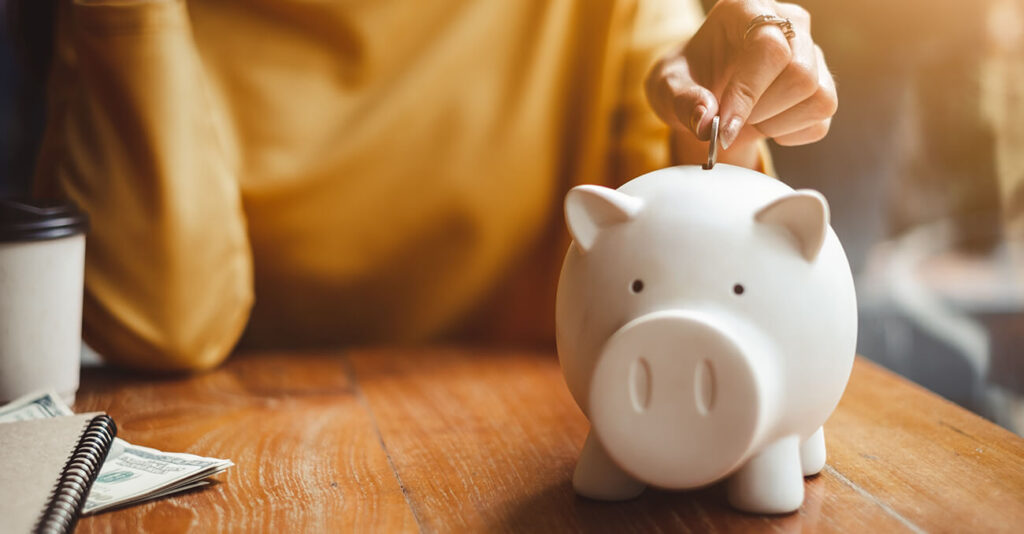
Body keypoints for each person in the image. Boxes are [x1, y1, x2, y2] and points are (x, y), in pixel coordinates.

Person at [25, 0, 836, 371]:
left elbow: (678, 253)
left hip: (520, 426)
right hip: (232, 428)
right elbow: (160, 320)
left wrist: (724, 113)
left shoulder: (603, 18)